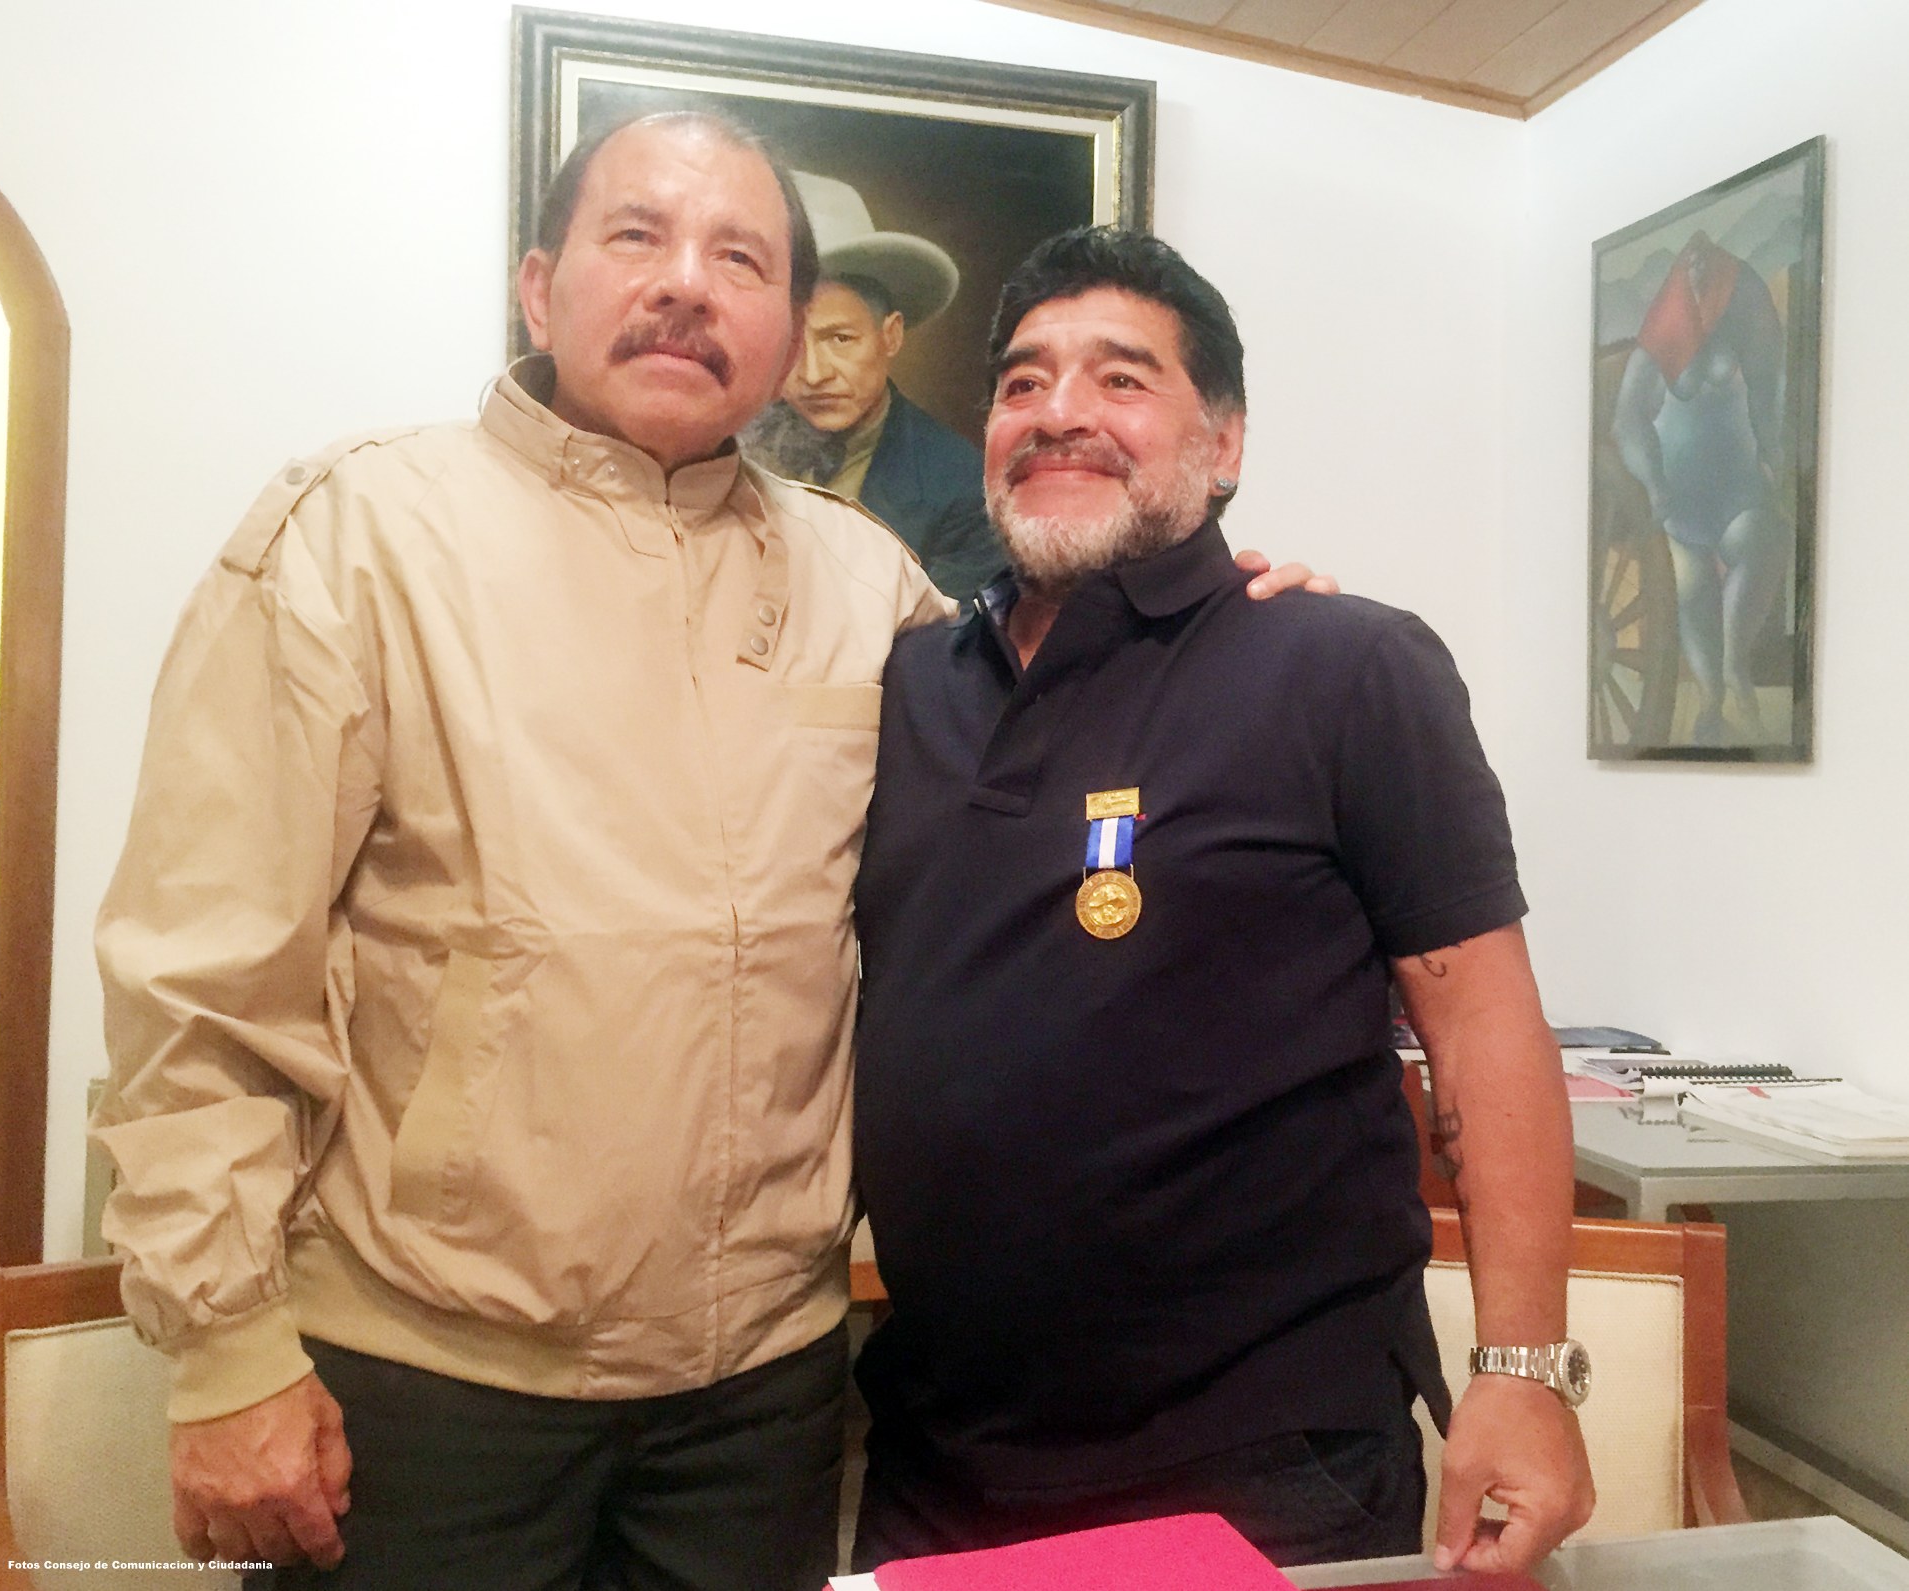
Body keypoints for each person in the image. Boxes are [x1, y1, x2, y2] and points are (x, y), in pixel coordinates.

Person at [91, 119, 1320, 1589]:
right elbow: (202, 977)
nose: (685, 283)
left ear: (789, 333)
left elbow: (1056, 723)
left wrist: (1224, 626)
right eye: (637, 236)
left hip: (759, 1398)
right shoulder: (357, 537)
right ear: (537, 288)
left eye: (739, 258)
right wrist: (224, 1347)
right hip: (429, 1376)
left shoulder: (862, 580)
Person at [849, 228, 1597, 1576]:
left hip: (1257, 1460)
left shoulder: (1342, 666)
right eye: (1021, 382)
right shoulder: (906, 687)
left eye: (1120, 378)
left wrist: (1522, 1368)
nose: (1058, 411)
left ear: (1224, 443)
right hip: (932, 1451)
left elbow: (1482, 1021)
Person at [742, 173, 1006, 599]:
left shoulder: (961, 488)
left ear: (891, 336)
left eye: (840, 339)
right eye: (790, 342)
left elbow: (944, 635)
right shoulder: (726, 446)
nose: (813, 374)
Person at [1610, 229, 1791, 746]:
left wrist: (1776, 456)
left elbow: (1767, 399)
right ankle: (1712, 703)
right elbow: (1627, 420)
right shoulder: (1661, 339)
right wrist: (1653, 484)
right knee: (1691, 590)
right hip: (1679, 508)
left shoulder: (1745, 327)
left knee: (1763, 543)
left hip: (1738, 495)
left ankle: (1736, 667)